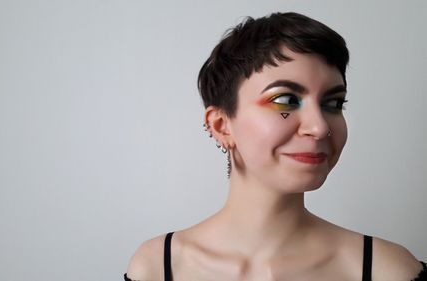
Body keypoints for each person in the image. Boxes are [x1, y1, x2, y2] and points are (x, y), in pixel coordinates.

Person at [124, 12, 426, 281]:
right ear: (220, 125)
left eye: (333, 103)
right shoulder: (157, 267)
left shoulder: (388, 270)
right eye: (286, 100)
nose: (320, 127)